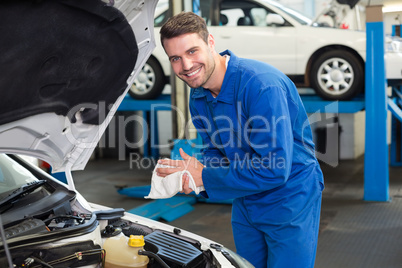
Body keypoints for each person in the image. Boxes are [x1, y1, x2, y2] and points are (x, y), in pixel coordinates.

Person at [156, 11, 324, 268]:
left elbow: (274, 168)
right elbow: (214, 149)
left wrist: (205, 177)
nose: (186, 66)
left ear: (210, 42)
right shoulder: (198, 96)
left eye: (192, 52)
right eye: (175, 58)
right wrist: (196, 179)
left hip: (290, 196)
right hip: (245, 198)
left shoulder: (261, 86)